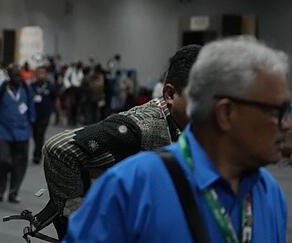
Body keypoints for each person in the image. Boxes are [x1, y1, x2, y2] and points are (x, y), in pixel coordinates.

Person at [66, 37, 290, 242]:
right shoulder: (132, 187)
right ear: (226, 114)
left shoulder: (269, 194)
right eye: (278, 111)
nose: (287, 124)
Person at [33, 45, 201, 238]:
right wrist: (77, 217)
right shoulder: (138, 129)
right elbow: (60, 148)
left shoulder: (196, 127)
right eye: (199, 98)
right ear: (170, 95)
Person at [0, 64, 35, 203]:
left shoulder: (26, 89)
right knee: (4, 160)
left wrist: (32, 127)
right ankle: (0, 190)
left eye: (19, 75)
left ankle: (14, 192)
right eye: (15, 75)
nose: (18, 78)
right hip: (4, 132)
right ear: (10, 76)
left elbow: (31, 109)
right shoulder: (2, 90)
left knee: (19, 163)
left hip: (22, 133)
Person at [30, 65, 58, 164]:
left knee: (40, 134)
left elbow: (55, 98)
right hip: (34, 115)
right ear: (36, 74)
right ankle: (37, 150)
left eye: (43, 73)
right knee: (35, 134)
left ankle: (37, 156)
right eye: (39, 73)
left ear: (46, 75)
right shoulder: (32, 86)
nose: (41, 75)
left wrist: (56, 111)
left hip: (45, 115)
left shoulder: (50, 86)